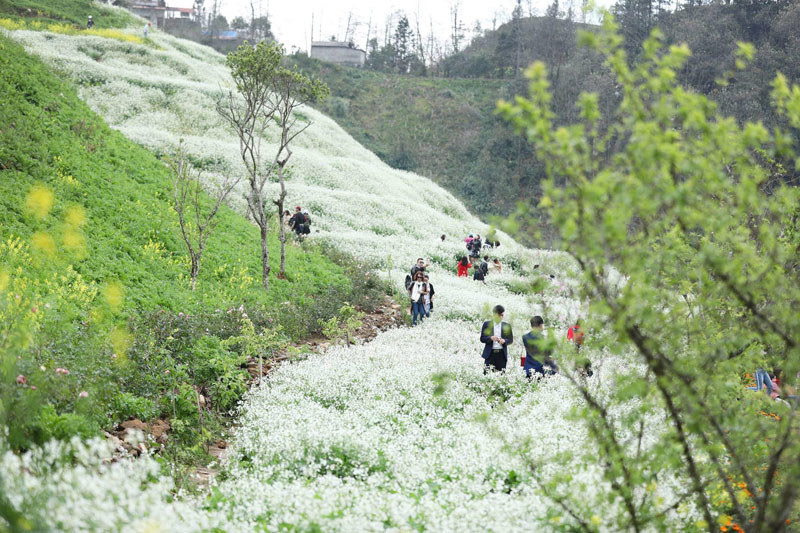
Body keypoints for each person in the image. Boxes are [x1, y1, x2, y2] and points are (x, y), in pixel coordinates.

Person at [480, 305, 513, 373]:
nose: (501, 317)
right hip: (490, 354)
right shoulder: (487, 324)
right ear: (494, 315)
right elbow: (482, 338)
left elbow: (510, 340)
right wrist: (490, 338)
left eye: (502, 315)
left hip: (501, 355)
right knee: (486, 374)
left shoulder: (506, 325)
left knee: (501, 376)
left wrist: (504, 341)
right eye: (499, 315)